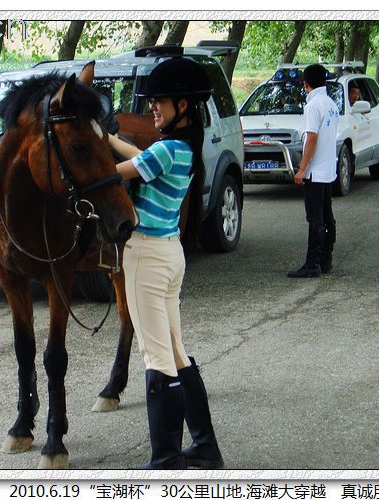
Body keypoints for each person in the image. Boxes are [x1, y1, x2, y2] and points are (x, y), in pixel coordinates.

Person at [107, 57, 223, 470]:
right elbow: (139, 155)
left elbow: (109, 177)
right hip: (171, 254)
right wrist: (107, 137)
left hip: (146, 257)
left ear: (184, 106)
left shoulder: (166, 151)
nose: (153, 108)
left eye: (160, 102)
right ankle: (205, 447)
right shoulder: (182, 149)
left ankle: (166, 460)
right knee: (176, 354)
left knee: (155, 357)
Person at [289, 64, 340, 278]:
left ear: (306, 83)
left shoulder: (313, 106)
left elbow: (311, 139)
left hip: (315, 171)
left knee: (315, 219)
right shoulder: (331, 103)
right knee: (327, 216)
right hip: (328, 169)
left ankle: (312, 264)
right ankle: (325, 260)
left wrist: (302, 169)